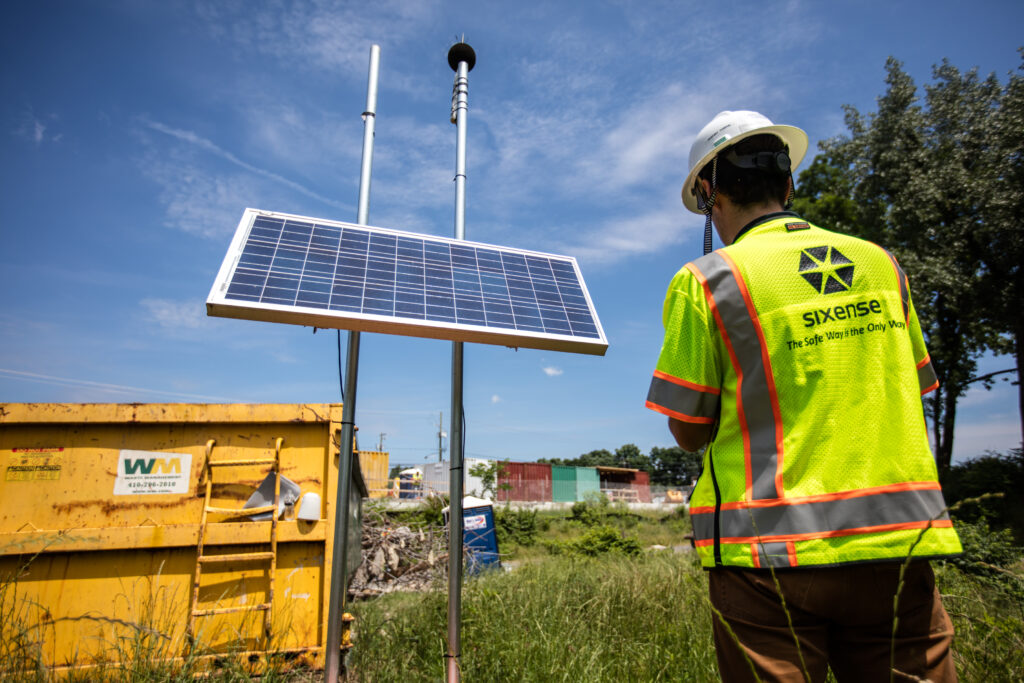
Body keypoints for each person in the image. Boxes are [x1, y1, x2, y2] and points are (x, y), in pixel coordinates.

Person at [645, 110, 963, 682]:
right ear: (789, 184)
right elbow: (915, 387)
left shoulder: (709, 280)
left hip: (767, 556)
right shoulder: (882, 264)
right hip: (899, 542)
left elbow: (689, 430)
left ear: (710, 192)